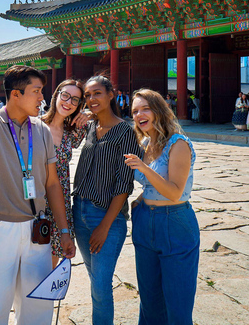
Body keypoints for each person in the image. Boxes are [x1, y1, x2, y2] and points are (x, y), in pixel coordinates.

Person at [0, 65, 75, 325]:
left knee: (38, 306)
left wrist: (63, 230)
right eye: (37, 91)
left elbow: (53, 184)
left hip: (37, 229)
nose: (43, 97)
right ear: (16, 95)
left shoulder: (40, 130)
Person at [124, 88, 200, 325]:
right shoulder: (146, 143)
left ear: (159, 110)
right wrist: (140, 201)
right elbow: (151, 185)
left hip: (175, 221)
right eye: (135, 111)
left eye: (145, 108)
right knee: (149, 301)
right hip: (146, 220)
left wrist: (143, 168)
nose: (139, 114)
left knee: (178, 304)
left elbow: (175, 192)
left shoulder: (178, 144)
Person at [73, 75, 141, 325]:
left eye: (97, 93)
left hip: (106, 216)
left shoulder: (126, 131)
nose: (91, 99)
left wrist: (104, 226)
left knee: (101, 286)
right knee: (94, 280)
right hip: (78, 210)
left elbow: (124, 184)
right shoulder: (90, 126)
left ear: (111, 94)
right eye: (88, 95)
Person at [41, 79, 88, 266]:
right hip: (35, 198)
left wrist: (87, 114)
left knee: (52, 260)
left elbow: (104, 117)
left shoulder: (72, 132)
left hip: (59, 199)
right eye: (65, 96)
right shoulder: (36, 125)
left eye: (75, 100)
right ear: (56, 95)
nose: (68, 103)